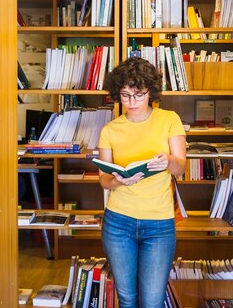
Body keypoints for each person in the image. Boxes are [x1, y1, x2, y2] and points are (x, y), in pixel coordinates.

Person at [98, 57, 186, 308]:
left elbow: (180, 169)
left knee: (152, 300)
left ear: (151, 92)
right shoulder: (110, 129)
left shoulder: (169, 119)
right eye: (125, 95)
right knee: (127, 298)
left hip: (159, 224)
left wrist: (168, 160)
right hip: (117, 223)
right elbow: (104, 180)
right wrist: (117, 181)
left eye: (138, 95)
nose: (131, 102)